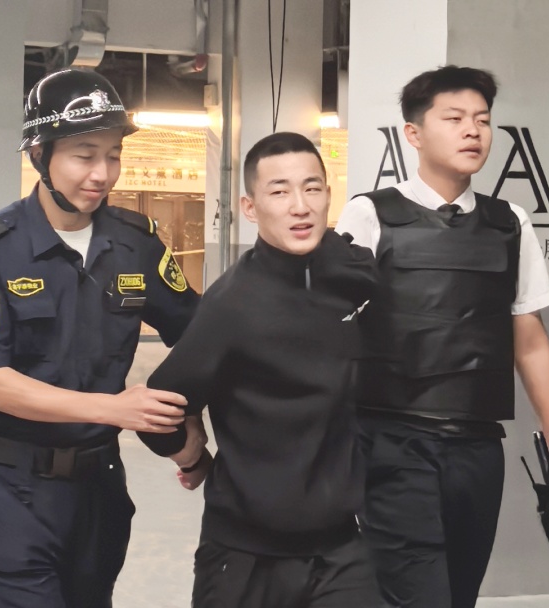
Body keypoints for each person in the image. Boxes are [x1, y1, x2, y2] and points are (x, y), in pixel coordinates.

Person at [0, 68, 200, 608]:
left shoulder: (136, 244)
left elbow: (199, 336)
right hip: (6, 488)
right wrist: (117, 408)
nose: (102, 173)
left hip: (97, 489)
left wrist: (188, 431)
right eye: (85, 155)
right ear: (40, 155)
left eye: (113, 155)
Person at [335, 65, 549, 608]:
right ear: (414, 133)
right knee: (417, 595)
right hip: (391, 443)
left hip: (477, 449)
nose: (473, 131)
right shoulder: (371, 214)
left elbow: (530, 341)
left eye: (483, 120)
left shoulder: (509, 223)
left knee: (459, 595)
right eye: (455, 118)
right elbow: (329, 326)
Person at [139, 132, 380, 607]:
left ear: (328, 195)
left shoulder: (352, 273)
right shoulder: (232, 303)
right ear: (250, 208)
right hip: (246, 554)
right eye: (280, 191)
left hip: (341, 550)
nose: (300, 206)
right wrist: (194, 460)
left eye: (312, 188)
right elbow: (158, 405)